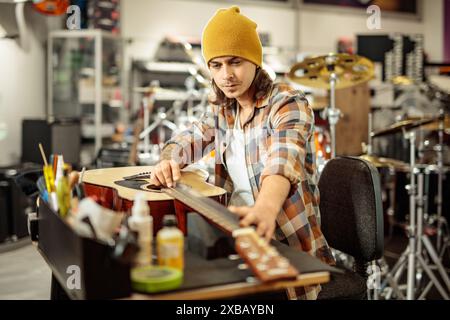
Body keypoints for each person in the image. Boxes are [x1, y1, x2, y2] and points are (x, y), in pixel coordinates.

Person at [149, 5, 334, 299]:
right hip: (235, 234)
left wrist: (264, 209)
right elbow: (188, 138)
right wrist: (168, 159)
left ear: (254, 61)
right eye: (216, 65)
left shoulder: (287, 103)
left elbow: (282, 162)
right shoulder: (225, 111)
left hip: (285, 247)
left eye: (235, 62)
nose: (226, 75)